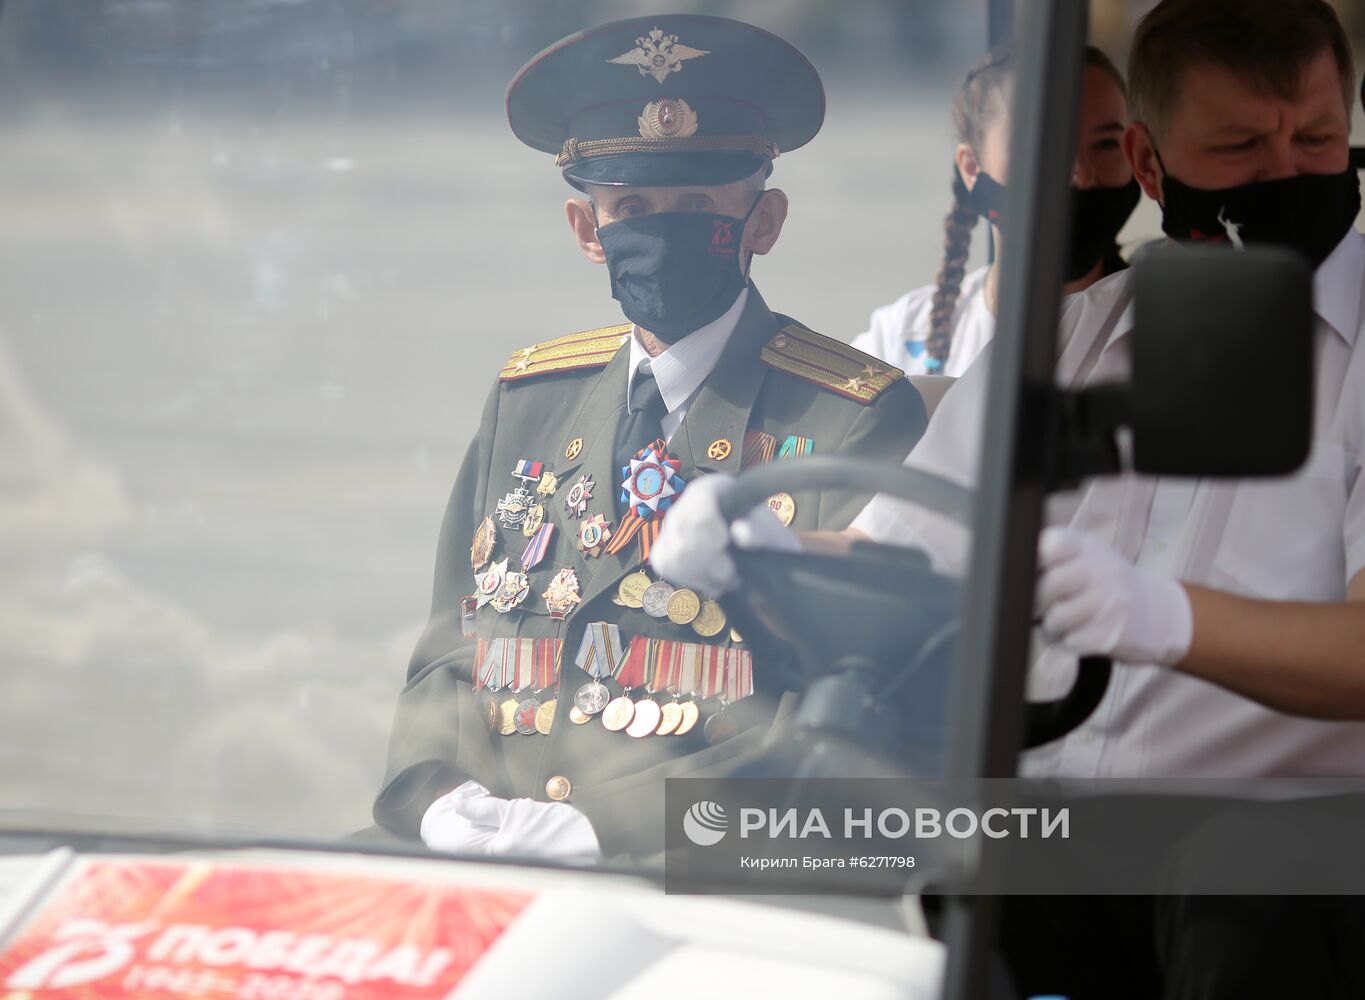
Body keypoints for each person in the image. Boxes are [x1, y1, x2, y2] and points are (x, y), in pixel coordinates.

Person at [653, 0, 1365, 995]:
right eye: (1244, 146)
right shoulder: (1061, 340)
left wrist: (1164, 617)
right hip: (1056, 818)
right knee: (745, 831)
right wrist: (751, 548)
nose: (1290, 172)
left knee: (1240, 875)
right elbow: (909, 547)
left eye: (1320, 138)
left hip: (1301, 830)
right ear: (1154, 170)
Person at [371, 14, 926, 861]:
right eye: (631, 207)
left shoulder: (850, 416)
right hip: (487, 855)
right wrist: (437, 794)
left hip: (692, 868)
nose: (661, 232)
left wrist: (604, 828)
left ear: (764, 222)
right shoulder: (529, 399)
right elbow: (449, 648)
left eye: (699, 205)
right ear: (587, 231)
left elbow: (841, 716)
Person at [851, 43, 1138, 377]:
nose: (1081, 175)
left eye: (1106, 145)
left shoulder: (1159, 328)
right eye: (1044, 147)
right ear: (972, 168)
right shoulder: (898, 339)